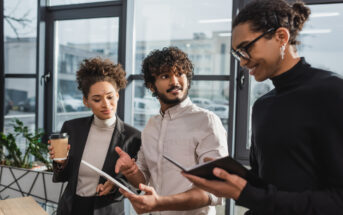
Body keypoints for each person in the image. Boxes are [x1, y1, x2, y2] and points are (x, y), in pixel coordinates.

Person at [183, 0, 343, 214]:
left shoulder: (332, 92)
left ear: (281, 37)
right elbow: (266, 187)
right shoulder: (262, 106)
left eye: (246, 48)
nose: (242, 61)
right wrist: (232, 182)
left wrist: (247, 193)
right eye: (237, 54)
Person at [102, 46, 228, 214]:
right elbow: (143, 178)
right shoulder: (151, 126)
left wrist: (160, 203)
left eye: (180, 74)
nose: (175, 81)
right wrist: (131, 171)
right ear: (151, 86)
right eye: (165, 76)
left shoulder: (206, 121)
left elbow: (214, 189)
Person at [48, 57, 141, 215]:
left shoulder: (133, 136)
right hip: (71, 208)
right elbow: (62, 176)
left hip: (107, 210)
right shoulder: (72, 128)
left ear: (117, 96)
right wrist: (60, 163)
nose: (106, 104)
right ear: (86, 101)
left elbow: (136, 183)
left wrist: (114, 185)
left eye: (110, 97)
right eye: (97, 99)